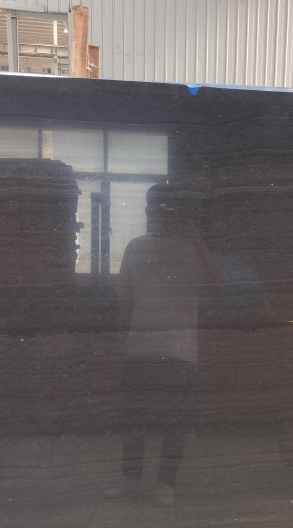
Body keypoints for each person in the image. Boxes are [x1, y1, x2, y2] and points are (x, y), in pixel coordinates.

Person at [110, 183, 225, 507]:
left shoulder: (192, 250)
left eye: (168, 210)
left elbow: (218, 284)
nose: (161, 215)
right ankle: (131, 480)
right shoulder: (135, 247)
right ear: (148, 212)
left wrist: (197, 240)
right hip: (140, 346)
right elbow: (125, 299)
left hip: (179, 350)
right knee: (133, 419)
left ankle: (165, 484)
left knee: (173, 420)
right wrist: (118, 341)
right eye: (155, 209)